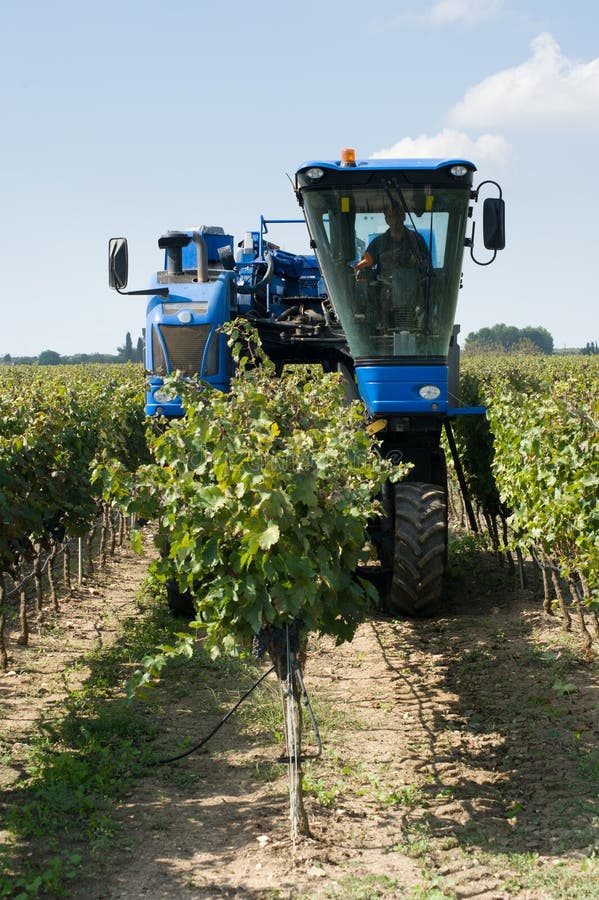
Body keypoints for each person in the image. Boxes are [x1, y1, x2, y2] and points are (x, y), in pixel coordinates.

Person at [354, 203, 430, 282]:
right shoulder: (378, 243)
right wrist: (361, 270)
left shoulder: (417, 240)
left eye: (397, 215)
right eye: (390, 216)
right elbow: (365, 265)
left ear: (403, 217)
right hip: (387, 290)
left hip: (413, 289)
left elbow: (427, 266)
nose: (395, 220)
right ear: (386, 220)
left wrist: (418, 262)